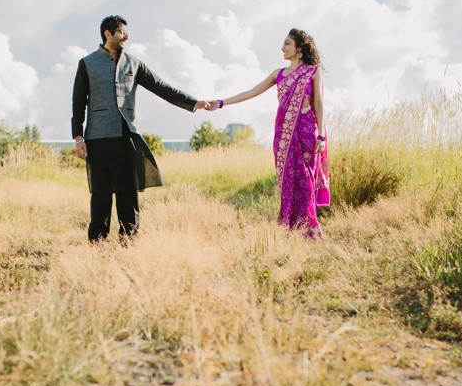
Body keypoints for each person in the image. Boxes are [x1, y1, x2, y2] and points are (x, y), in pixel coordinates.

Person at [72, 15, 211, 243]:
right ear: (108, 34)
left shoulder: (133, 63)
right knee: (101, 193)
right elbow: (78, 102)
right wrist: (78, 137)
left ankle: (129, 239)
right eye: (121, 32)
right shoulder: (86, 63)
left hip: (126, 135)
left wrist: (193, 102)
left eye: (126, 32)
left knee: (129, 192)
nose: (126, 36)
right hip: (97, 137)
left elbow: (161, 87)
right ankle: (97, 241)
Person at [208, 28, 329, 237]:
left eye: (287, 44)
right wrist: (221, 103)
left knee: (305, 180)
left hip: (307, 131)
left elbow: (318, 105)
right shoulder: (278, 74)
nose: (283, 48)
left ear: (299, 48)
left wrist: (321, 135)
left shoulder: (312, 71)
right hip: (283, 135)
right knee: (288, 180)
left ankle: (309, 226)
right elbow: (252, 92)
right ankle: (291, 228)